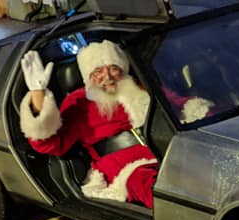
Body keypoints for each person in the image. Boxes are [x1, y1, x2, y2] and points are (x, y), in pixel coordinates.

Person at [18, 40, 212, 208]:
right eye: (98, 71)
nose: (108, 77)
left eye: (113, 69)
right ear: (88, 76)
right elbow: (50, 143)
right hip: (125, 168)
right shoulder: (79, 102)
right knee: (148, 184)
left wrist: (211, 115)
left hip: (167, 152)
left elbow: (181, 105)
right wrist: (38, 93)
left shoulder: (140, 87)